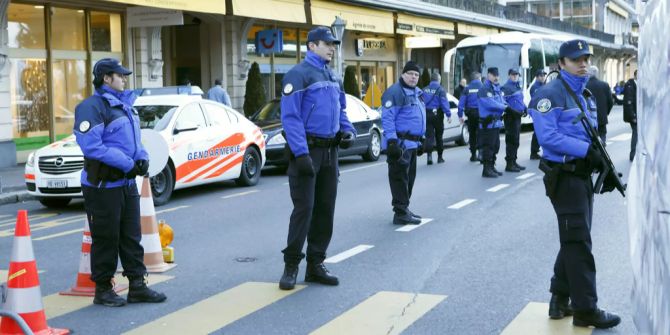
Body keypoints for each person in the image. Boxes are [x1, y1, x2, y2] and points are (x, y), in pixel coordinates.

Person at [529, 39, 621, 329]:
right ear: (561, 63)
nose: (583, 64)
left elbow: (591, 136)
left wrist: (601, 164)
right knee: (578, 242)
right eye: (575, 59)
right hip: (565, 177)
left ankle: (560, 298)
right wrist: (585, 153)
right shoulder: (549, 94)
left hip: (580, 177)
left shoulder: (585, 93)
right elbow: (549, 138)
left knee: (574, 238)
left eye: (585, 59)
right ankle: (586, 309)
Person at [73, 58, 167, 307]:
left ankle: (137, 286)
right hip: (103, 185)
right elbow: (92, 146)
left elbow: (136, 142)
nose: (124, 79)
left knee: (131, 236)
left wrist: (143, 158)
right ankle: (103, 290)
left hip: (125, 184)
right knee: (106, 238)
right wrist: (128, 164)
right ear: (106, 78)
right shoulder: (91, 107)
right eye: (120, 75)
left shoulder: (125, 105)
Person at [278, 27, 356, 291]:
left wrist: (347, 130)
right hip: (308, 151)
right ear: (311, 46)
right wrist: (300, 154)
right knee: (304, 209)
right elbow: (291, 117)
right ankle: (291, 266)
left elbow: (341, 109)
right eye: (326, 44)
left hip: (330, 153)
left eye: (333, 44)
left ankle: (315, 265)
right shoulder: (298, 75)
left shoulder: (333, 76)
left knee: (325, 209)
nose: (332, 48)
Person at [381, 61, 426, 225]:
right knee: (400, 179)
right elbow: (387, 118)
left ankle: (404, 208)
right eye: (410, 74)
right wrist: (392, 141)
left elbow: (419, 116)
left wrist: (422, 138)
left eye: (416, 75)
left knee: (409, 179)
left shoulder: (417, 92)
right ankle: (400, 212)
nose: (414, 77)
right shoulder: (395, 92)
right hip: (400, 145)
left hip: (413, 144)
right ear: (403, 74)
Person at [422, 72, 462, 165]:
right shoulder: (441, 90)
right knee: (439, 137)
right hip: (438, 115)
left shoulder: (424, 89)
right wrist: (448, 115)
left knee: (429, 136)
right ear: (439, 80)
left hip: (427, 114)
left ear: (431, 79)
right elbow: (444, 103)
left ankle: (429, 157)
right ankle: (440, 157)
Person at [477, 67, 508, 178]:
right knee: (488, 147)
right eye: (493, 75)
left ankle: (491, 166)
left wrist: (506, 105)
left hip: (495, 123)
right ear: (488, 75)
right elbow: (490, 104)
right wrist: (504, 108)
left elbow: (501, 101)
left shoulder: (496, 88)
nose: (496, 77)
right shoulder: (484, 89)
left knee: (495, 146)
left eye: (497, 75)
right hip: (488, 124)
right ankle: (486, 169)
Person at [501, 68, 527, 172]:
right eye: (513, 74)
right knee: (511, 140)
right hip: (511, 117)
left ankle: (514, 161)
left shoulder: (517, 86)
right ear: (509, 75)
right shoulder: (506, 87)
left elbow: (520, 100)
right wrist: (513, 111)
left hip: (517, 117)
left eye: (517, 75)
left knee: (516, 141)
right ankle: (509, 164)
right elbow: (503, 102)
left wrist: (525, 108)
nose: (515, 76)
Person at [458, 72, 483, 162]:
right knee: (481, 133)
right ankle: (480, 153)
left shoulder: (467, 88)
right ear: (479, 78)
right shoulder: (483, 87)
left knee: (472, 134)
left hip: (471, 114)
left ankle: (473, 155)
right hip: (481, 113)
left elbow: (461, 103)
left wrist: (460, 115)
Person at [585, 66, 614, 144]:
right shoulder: (604, 85)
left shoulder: (584, 85)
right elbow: (610, 102)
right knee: (602, 136)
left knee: (590, 139)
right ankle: (602, 153)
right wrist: (605, 113)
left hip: (588, 118)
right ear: (597, 73)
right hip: (601, 117)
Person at [529, 69, 547, 160]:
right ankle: (533, 152)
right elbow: (537, 100)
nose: (543, 77)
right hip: (537, 111)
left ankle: (541, 151)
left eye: (544, 75)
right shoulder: (535, 87)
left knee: (543, 131)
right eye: (541, 75)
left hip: (544, 111)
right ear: (536, 77)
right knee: (537, 132)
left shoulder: (544, 85)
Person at [623, 70, 637, 161]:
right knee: (636, 133)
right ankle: (633, 155)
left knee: (637, 133)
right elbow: (628, 102)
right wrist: (633, 116)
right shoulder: (630, 85)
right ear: (635, 75)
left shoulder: (639, 84)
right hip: (634, 116)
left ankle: (636, 154)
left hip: (639, 115)